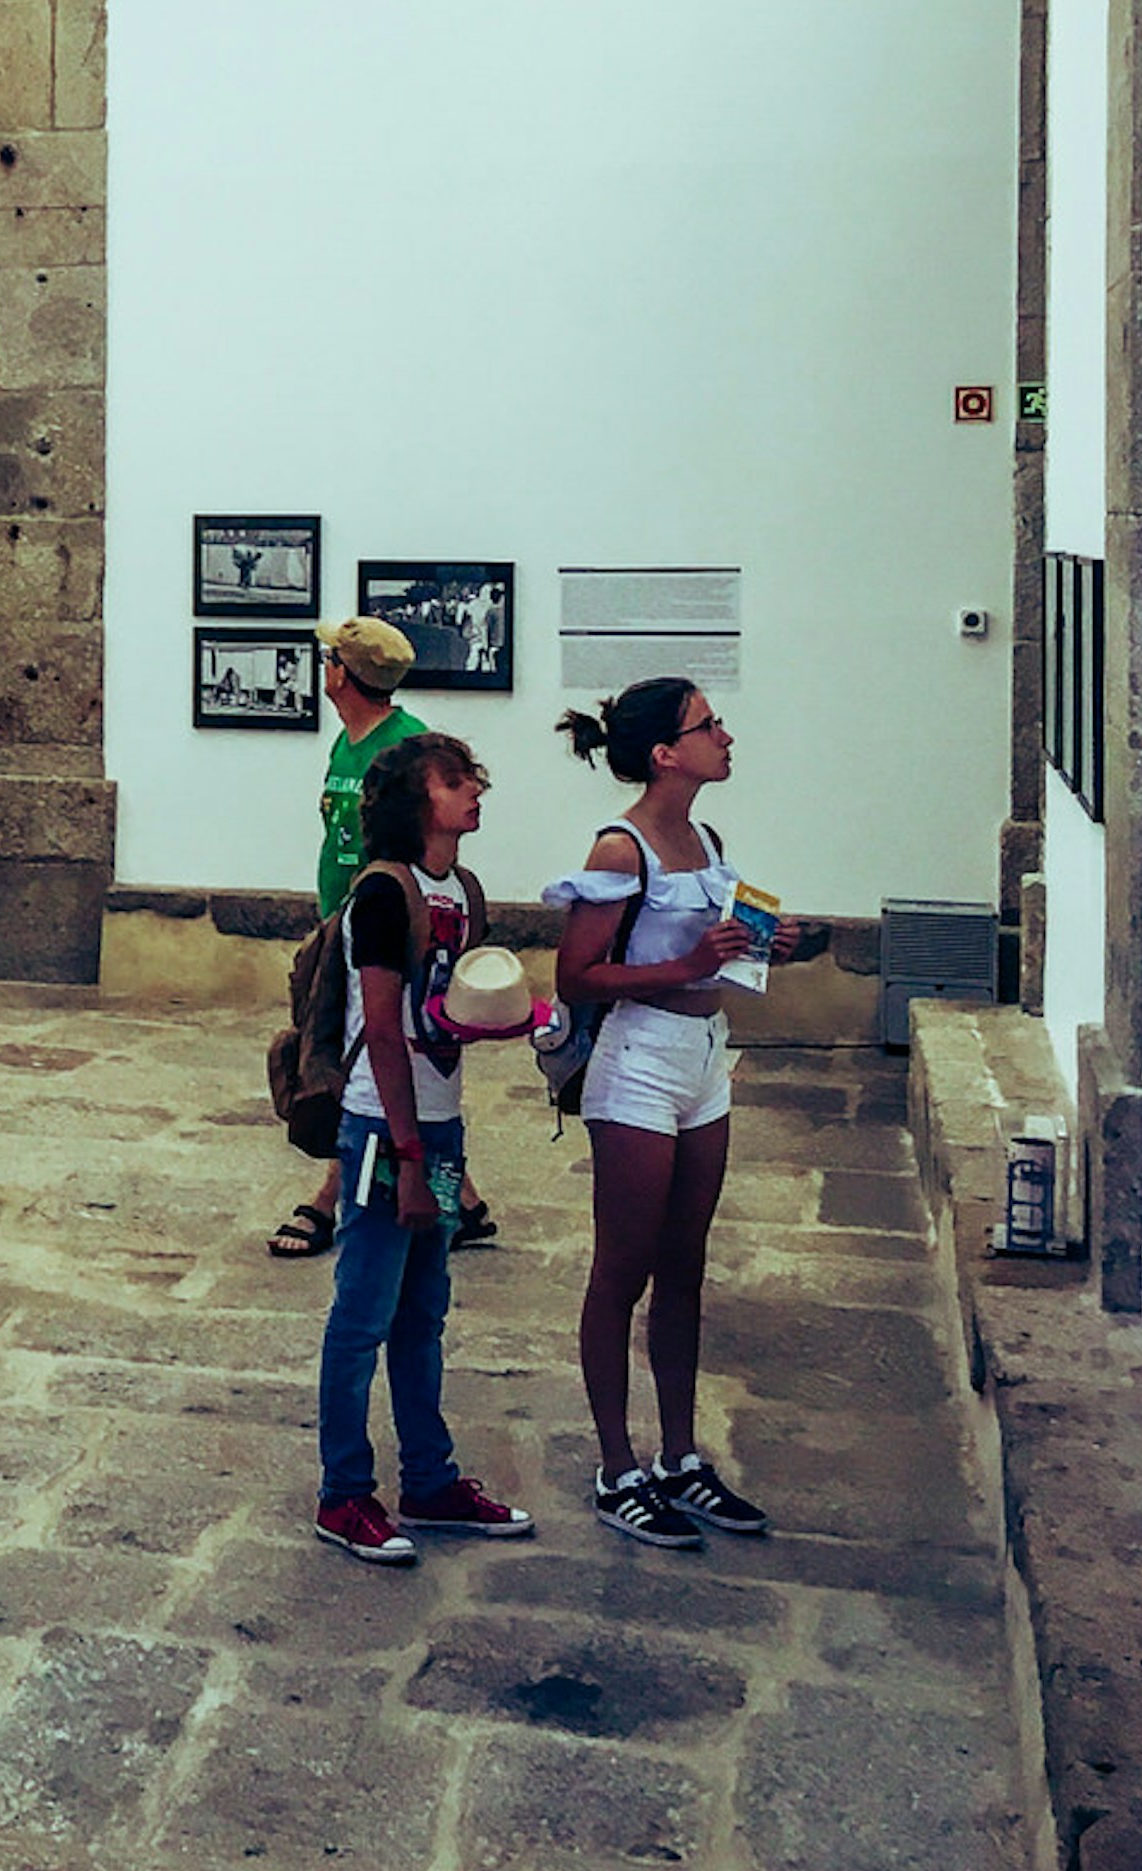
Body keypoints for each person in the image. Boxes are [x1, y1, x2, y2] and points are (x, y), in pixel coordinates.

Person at [546, 676, 813, 1550]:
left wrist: (770, 944)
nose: (727, 736)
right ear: (666, 753)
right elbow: (576, 976)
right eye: (709, 725)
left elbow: (710, 955)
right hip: (641, 1063)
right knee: (622, 1267)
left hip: (704, 1055)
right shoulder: (622, 850)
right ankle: (617, 1465)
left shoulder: (704, 835)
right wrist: (690, 959)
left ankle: (679, 1457)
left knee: (686, 1265)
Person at [311, 729, 534, 1565]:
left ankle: (430, 1478)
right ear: (417, 802)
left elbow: (440, 1010)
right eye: (456, 780)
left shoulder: (462, 890)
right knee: (363, 1312)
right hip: (385, 1133)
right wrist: (409, 1156)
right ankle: (343, 1494)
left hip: (437, 1132)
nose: (475, 789)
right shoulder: (381, 895)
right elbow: (381, 1025)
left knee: (423, 1309)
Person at [272, 618, 498, 1258]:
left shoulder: (406, 748)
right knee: (351, 1056)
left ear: (343, 672)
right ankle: (469, 1203)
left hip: (381, 931)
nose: (325, 669)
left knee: (359, 1062)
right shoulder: (346, 743)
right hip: (341, 925)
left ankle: (330, 1198)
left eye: (329, 659)